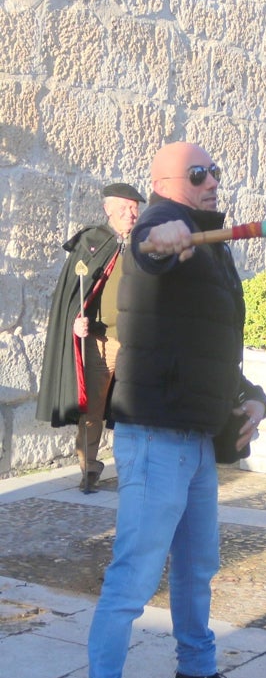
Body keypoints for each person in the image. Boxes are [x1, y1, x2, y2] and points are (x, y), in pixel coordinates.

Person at [75, 142, 266, 678]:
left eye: (215, 169)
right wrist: (164, 236)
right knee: (131, 581)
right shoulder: (165, 227)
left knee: (197, 567)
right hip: (155, 435)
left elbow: (207, 338)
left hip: (193, 433)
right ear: (165, 185)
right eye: (199, 174)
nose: (214, 179)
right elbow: (150, 245)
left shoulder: (210, 238)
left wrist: (250, 397)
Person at [36, 182, 146, 493]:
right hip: (101, 343)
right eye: (123, 207)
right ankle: (89, 467)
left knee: (136, 408)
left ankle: (135, 469)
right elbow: (73, 295)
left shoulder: (146, 244)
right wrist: (75, 323)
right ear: (107, 209)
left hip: (136, 343)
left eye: (135, 207)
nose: (131, 213)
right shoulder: (93, 242)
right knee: (92, 409)